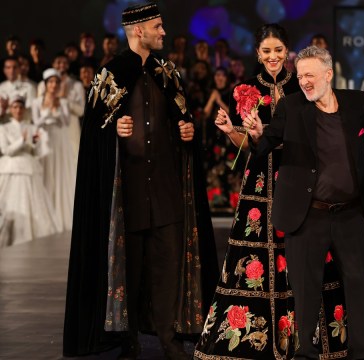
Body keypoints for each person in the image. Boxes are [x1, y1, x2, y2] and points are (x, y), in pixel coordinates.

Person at [62, 3, 218, 359]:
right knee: (127, 269)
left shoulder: (169, 75)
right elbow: (93, 135)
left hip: (165, 189)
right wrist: (113, 130)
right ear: (138, 30)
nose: (164, 32)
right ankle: (127, 337)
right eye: (158, 27)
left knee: (167, 266)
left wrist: (188, 130)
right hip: (127, 193)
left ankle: (168, 337)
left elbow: (184, 120)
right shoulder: (111, 74)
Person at [245, 45, 364, 360]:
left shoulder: (356, 102)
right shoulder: (292, 107)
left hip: (349, 214)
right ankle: (305, 353)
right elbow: (267, 145)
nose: (304, 82)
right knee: (305, 287)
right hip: (307, 215)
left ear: (328, 74)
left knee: (355, 283)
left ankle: (360, 352)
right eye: (300, 76)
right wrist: (256, 135)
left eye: (310, 75)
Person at [194, 25, 350, 360]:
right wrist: (230, 132)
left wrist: (271, 135)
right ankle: (256, 337)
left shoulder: (302, 86)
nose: (273, 57)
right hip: (259, 187)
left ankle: (307, 338)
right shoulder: (247, 90)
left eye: (278, 50)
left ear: (288, 52)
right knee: (256, 256)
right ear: (257, 54)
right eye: (266, 51)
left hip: (297, 179)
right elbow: (249, 148)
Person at [0, 94, 61, 247]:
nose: (18, 110)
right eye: (15, 107)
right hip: (11, 169)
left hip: (28, 167)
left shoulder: (31, 127)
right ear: (10, 109)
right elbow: (6, 150)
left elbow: (37, 152)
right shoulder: (4, 128)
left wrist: (35, 143)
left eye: (20, 107)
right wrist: (22, 141)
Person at [32, 68, 77, 231]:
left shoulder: (63, 101)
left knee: (59, 172)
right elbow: (36, 123)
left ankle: (61, 213)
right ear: (45, 84)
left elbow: (66, 122)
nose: (53, 85)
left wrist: (56, 106)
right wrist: (48, 111)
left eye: (56, 82)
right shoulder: (37, 102)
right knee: (46, 172)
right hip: (45, 139)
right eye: (50, 82)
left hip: (59, 139)